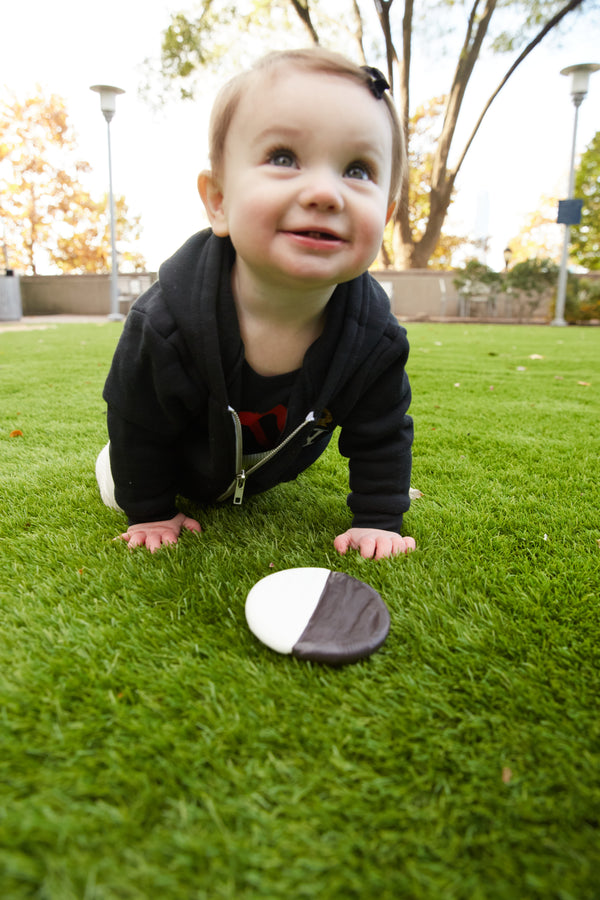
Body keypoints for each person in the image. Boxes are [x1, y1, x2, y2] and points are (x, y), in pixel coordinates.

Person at [96, 47, 415, 560]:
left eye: (358, 170)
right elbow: (137, 419)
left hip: (259, 469)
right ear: (219, 201)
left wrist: (380, 515)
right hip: (168, 460)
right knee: (121, 483)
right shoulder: (165, 324)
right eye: (284, 159)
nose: (325, 192)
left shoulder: (373, 339)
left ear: (387, 211)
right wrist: (149, 510)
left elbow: (382, 429)